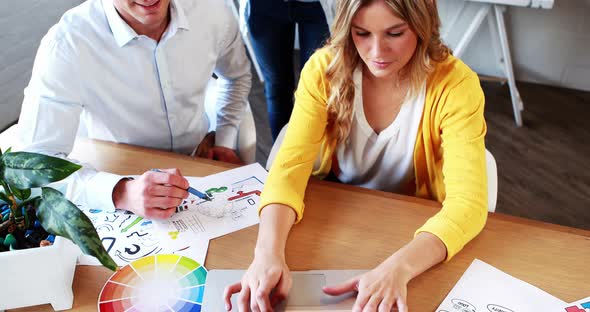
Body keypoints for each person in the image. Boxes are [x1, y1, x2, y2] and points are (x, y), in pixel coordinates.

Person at [224, 0, 488, 311]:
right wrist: (266, 254)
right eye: (362, 33)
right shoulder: (324, 70)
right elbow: (288, 170)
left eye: (394, 33)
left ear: (421, 25)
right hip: (341, 213)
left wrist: (399, 269)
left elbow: (468, 204)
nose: (377, 51)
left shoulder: (456, 84)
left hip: (416, 227)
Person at [17, 0, 252, 219]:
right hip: (117, 176)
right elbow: (33, 164)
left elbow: (236, 77)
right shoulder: (67, 42)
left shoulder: (212, 9)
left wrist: (225, 138)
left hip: (199, 157)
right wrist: (120, 191)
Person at [244, 0, 330, 140]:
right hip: (263, 6)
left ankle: (309, 155)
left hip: (317, 6)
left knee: (314, 87)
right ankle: (281, 156)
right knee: (277, 89)